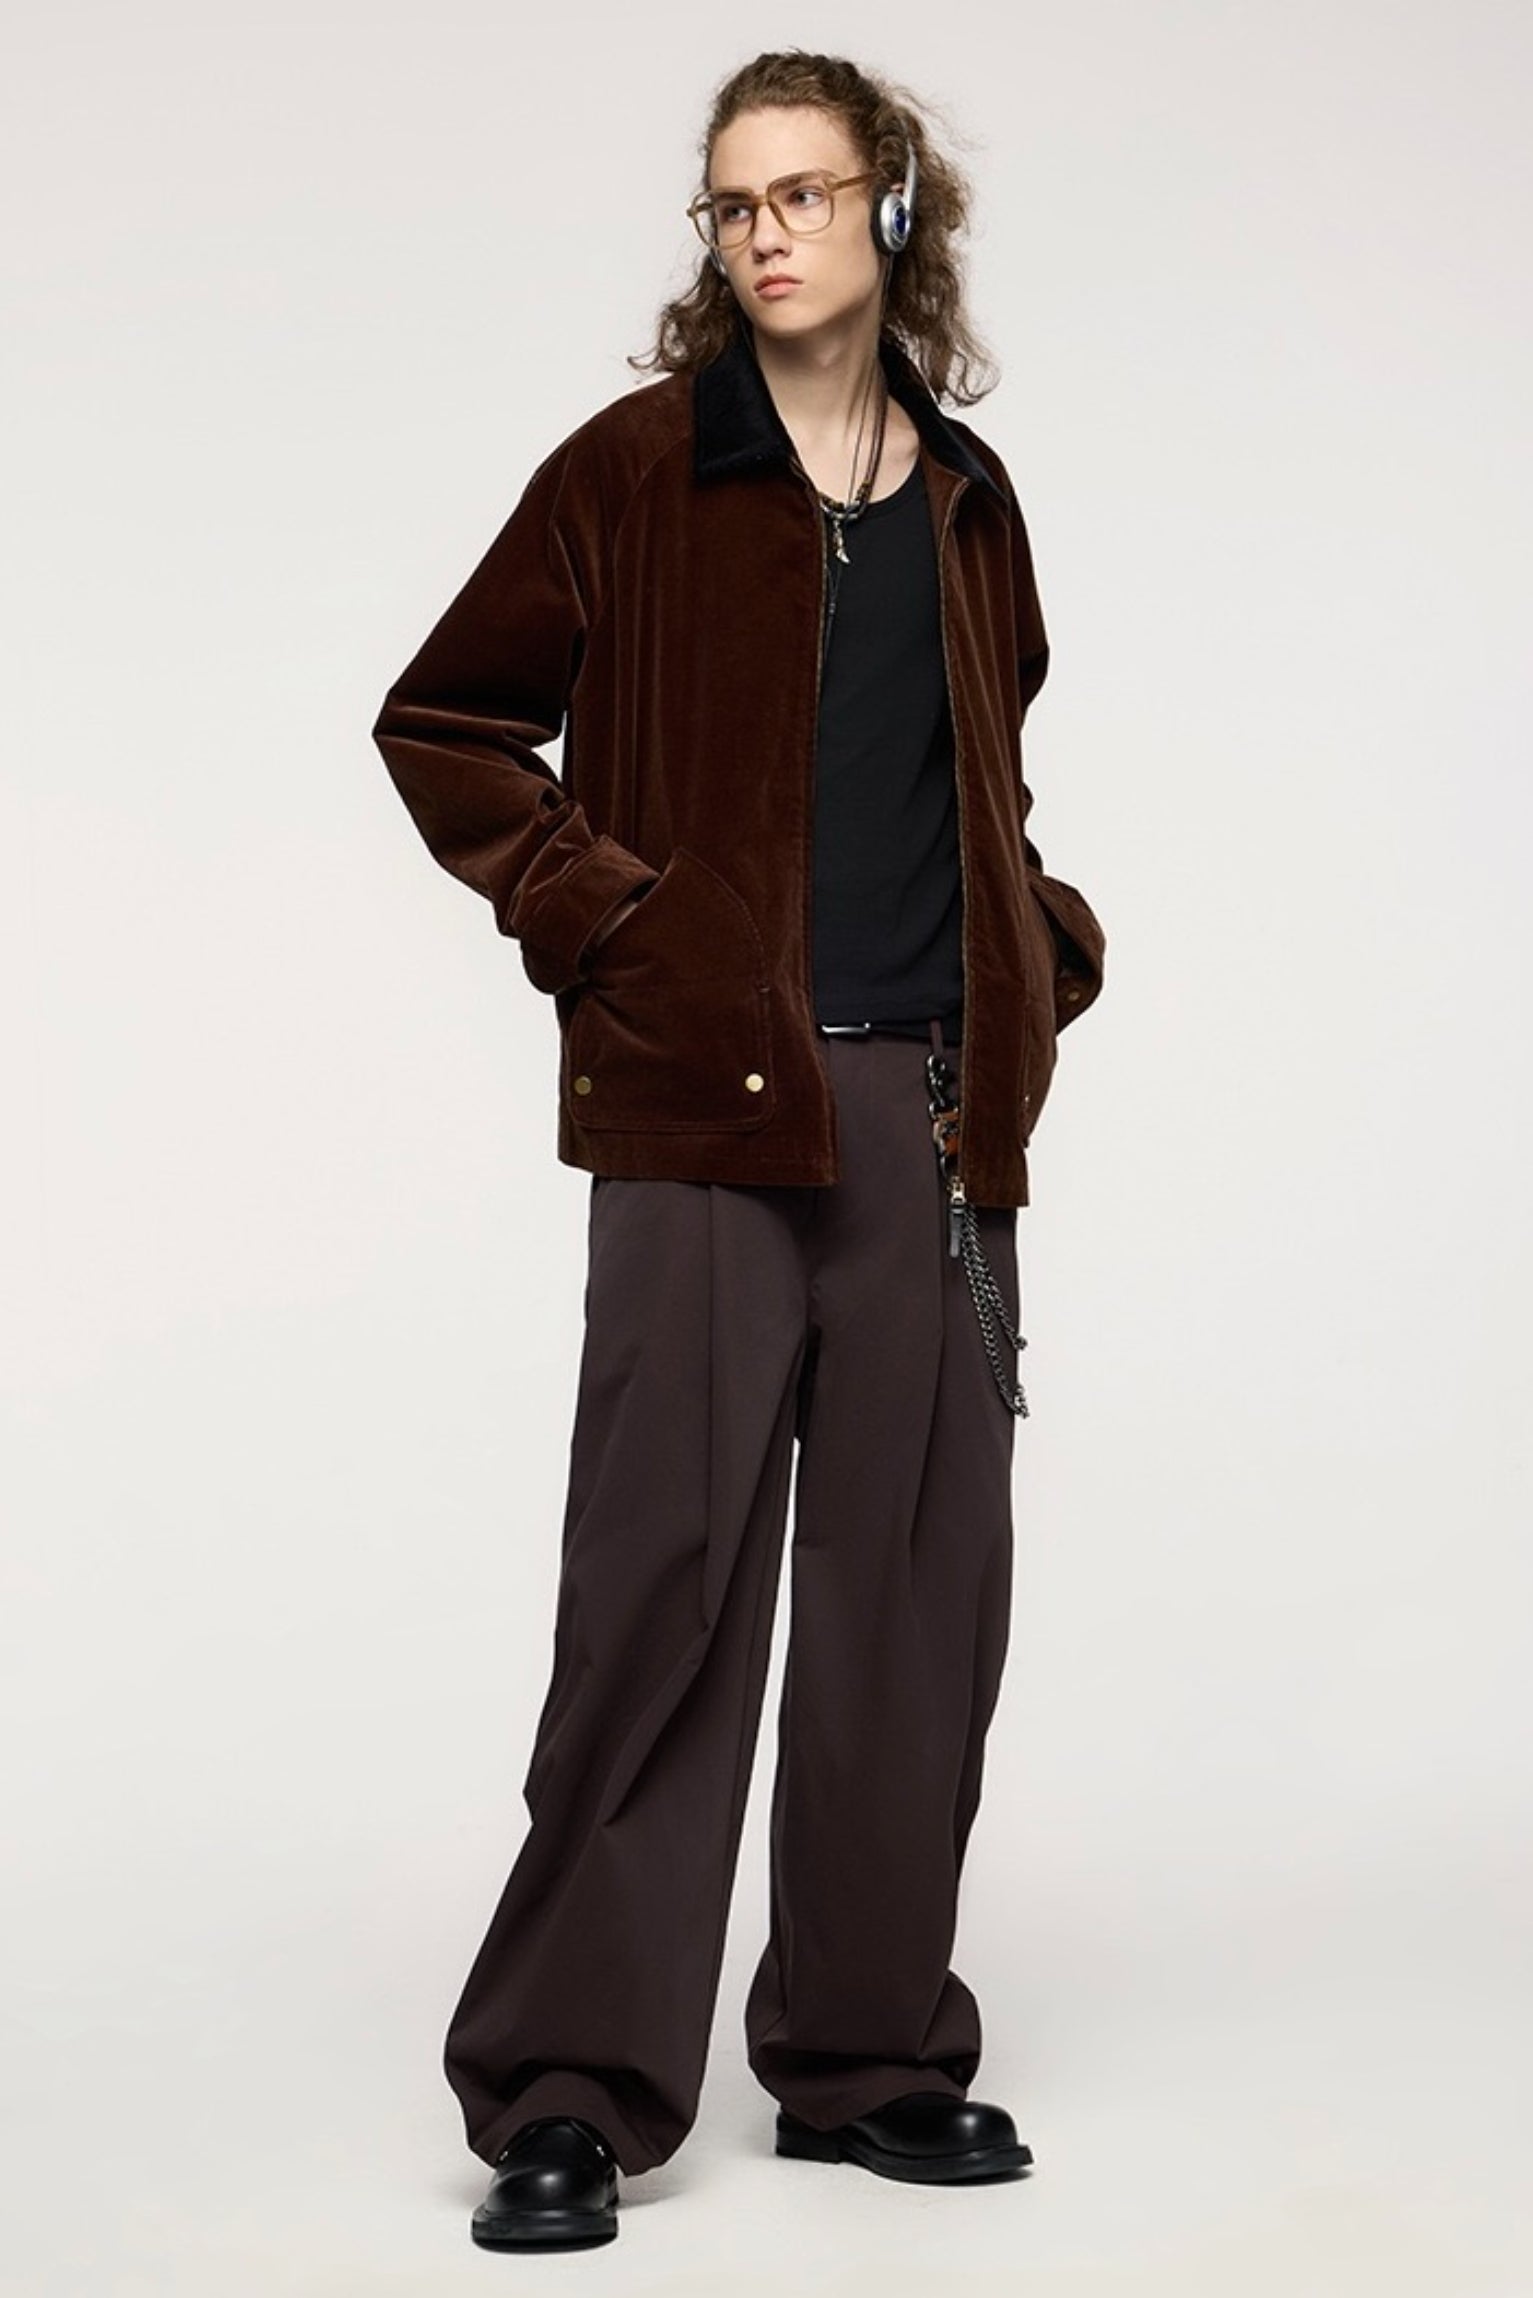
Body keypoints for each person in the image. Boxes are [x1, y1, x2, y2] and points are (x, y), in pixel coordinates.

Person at [371, 46, 1106, 2254]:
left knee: (910, 1604)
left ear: (889, 207)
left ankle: (868, 2056)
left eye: (799, 192)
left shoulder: (965, 497)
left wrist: (1035, 945)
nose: (764, 233)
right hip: (701, 1106)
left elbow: (983, 780)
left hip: (929, 1120)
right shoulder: (635, 471)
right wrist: (616, 925)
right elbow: (447, 721)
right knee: (659, 1593)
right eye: (730, 203)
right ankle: (570, 2089)